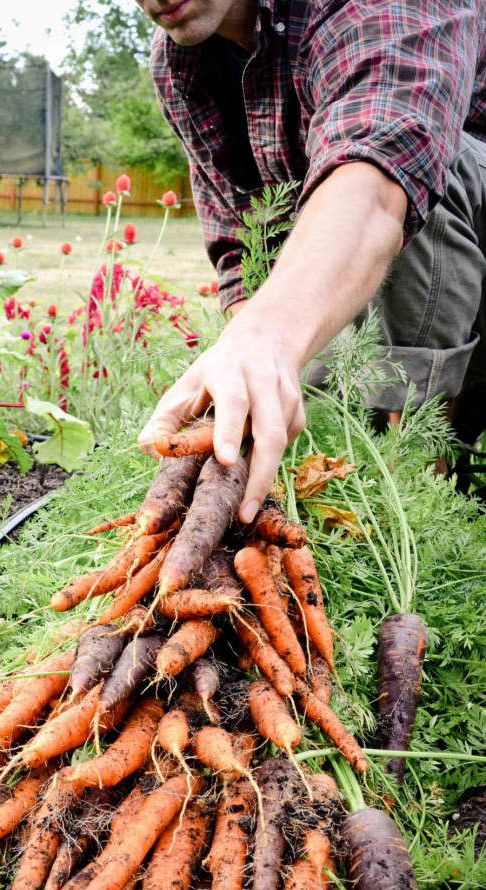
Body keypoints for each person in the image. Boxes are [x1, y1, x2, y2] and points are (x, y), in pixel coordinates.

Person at [136, 0, 486, 522]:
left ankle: (418, 492)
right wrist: (255, 382)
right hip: (369, 290)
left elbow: (383, 168)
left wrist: (270, 336)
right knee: (305, 411)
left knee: (437, 161)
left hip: (457, 271)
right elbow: (240, 244)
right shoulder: (180, 62)